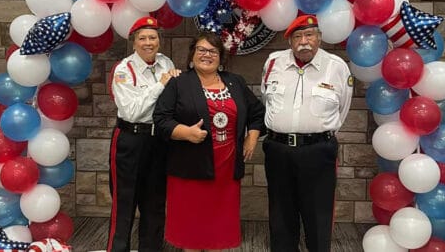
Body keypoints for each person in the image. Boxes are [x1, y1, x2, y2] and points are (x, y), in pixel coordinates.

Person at [153, 32, 265, 252]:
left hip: (226, 173)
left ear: (220, 57)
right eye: (201, 50)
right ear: (192, 55)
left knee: (218, 234)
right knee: (192, 234)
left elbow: (257, 112)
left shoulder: (235, 82)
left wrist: (252, 138)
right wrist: (185, 132)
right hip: (190, 169)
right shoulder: (179, 83)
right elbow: (161, 119)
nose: (207, 55)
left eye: (213, 51)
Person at [260, 15, 354, 252]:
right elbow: (266, 98)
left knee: (318, 215)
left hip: (317, 151)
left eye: (309, 35)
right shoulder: (273, 63)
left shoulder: (337, 67)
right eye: (298, 36)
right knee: (280, 214)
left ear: (319, 38)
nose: (304, 41)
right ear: (290, 41)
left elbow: (342, 110)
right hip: (278, 149)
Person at [107, 16, 181, 252]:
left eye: (152, 37)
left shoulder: (165, 62)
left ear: (159, 40)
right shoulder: (124, 70)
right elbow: (132, 111)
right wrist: (160, 85)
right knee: (124, 203)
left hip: (159, 140)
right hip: (131, 139)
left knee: (155, 202)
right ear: (134, 42)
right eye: (142, 38)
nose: (148, 42)